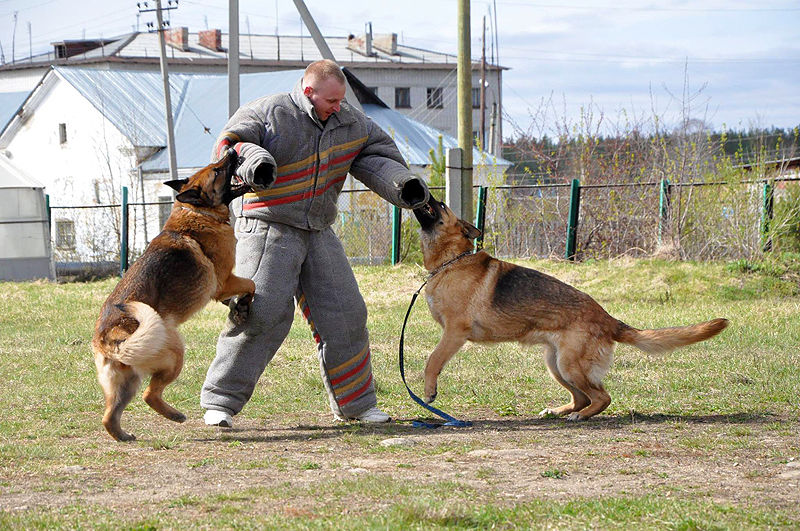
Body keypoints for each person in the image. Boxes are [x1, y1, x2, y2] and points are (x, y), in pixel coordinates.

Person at [201, 59, 430, 427]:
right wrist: (255, 161)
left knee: (347, 315)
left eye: (341, 100)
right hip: (267, 226)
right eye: (331, 101)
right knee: (263, 312)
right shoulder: (269, 112)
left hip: (318, 229)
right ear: (308, 92)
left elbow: (376, 155)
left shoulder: (350, 122)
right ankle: (221, 403)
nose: (338, 107)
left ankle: (357, 405)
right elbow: (231, 144)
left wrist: (403, 184)